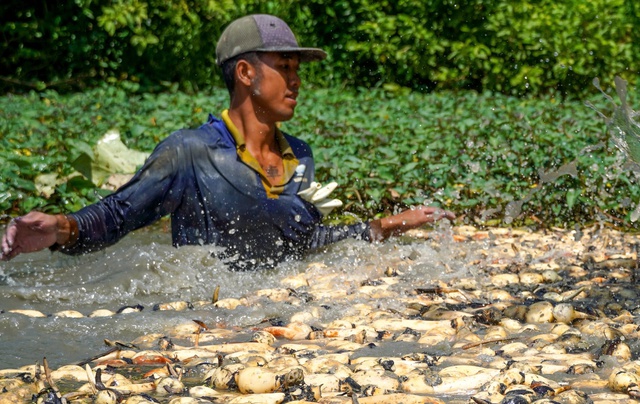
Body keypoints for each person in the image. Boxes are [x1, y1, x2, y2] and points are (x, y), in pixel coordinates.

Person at [0, 14, 455, 269]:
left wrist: (379, 229)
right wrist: (62, 228)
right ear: (245, 73)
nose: (297, 81)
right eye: (285, 66)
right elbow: (118, 215)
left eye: (299, 70)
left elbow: (301, 242)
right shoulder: (189, 153)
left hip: (277, 313)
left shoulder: (300, 154)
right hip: (206, 318)